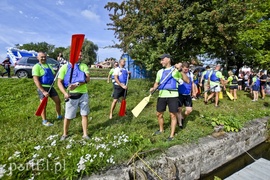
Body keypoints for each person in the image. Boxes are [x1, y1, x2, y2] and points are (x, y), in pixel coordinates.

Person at [150, 54, 189, 141]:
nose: (161, 62)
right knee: (159, 114)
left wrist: (180, 70)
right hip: (162, 95)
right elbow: (156, 83)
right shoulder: (159, 72)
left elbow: (186, 80)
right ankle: (161, 130)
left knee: (173, 115)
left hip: (173, 96)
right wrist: (153, 88)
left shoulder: (175, 71)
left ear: (168, 59)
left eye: (162, 60)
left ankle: (171, 135)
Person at [57, 52, 90, 140]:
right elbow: (59, 82)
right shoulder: (64, 67)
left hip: (83, 93)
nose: (81, 57)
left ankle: (85, 134)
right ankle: (65, 134)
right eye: (79, 55)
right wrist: (65, 93)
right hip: (71, 95)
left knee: (84, 114)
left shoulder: (83, 66)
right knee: (68, 116)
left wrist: (77, 84)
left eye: (81, 55)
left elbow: (87, 78)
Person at [32, 52, 62, 126]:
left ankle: (59, 116)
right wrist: (43, 91)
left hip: (51, 87)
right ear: (38, 58)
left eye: (44, 57)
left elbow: (54, 74)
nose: (43, 58)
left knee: (58, 101)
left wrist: (59, 71)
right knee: (44, 105)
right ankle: (44, 121)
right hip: (43, 87)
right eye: (41, 57)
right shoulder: (36, 67)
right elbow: (36, 80)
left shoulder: (48, 65)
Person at [177, 62, 193, 129]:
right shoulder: (178, 73)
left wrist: (194, 91)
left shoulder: (190, 74)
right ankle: (180, 123)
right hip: (180, 94)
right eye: (184, 69)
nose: (186, 70)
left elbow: (191, 83)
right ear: (182, 68)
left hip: (187, 94)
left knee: (189, 110)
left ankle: (182, 116)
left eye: (187, 69)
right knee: (179, 109)